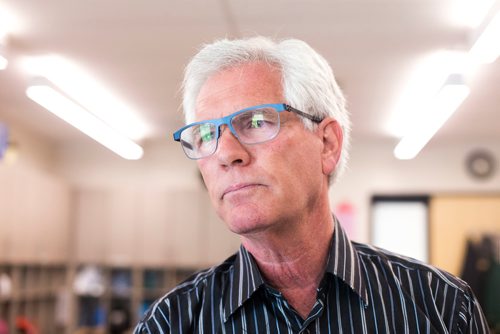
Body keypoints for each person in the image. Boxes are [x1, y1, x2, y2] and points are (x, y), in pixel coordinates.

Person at [135, 36, 489, 333]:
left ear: (327, 144)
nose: (226, 153)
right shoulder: (170, 323)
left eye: (257, 122)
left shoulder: (442, 307)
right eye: (206, 133)